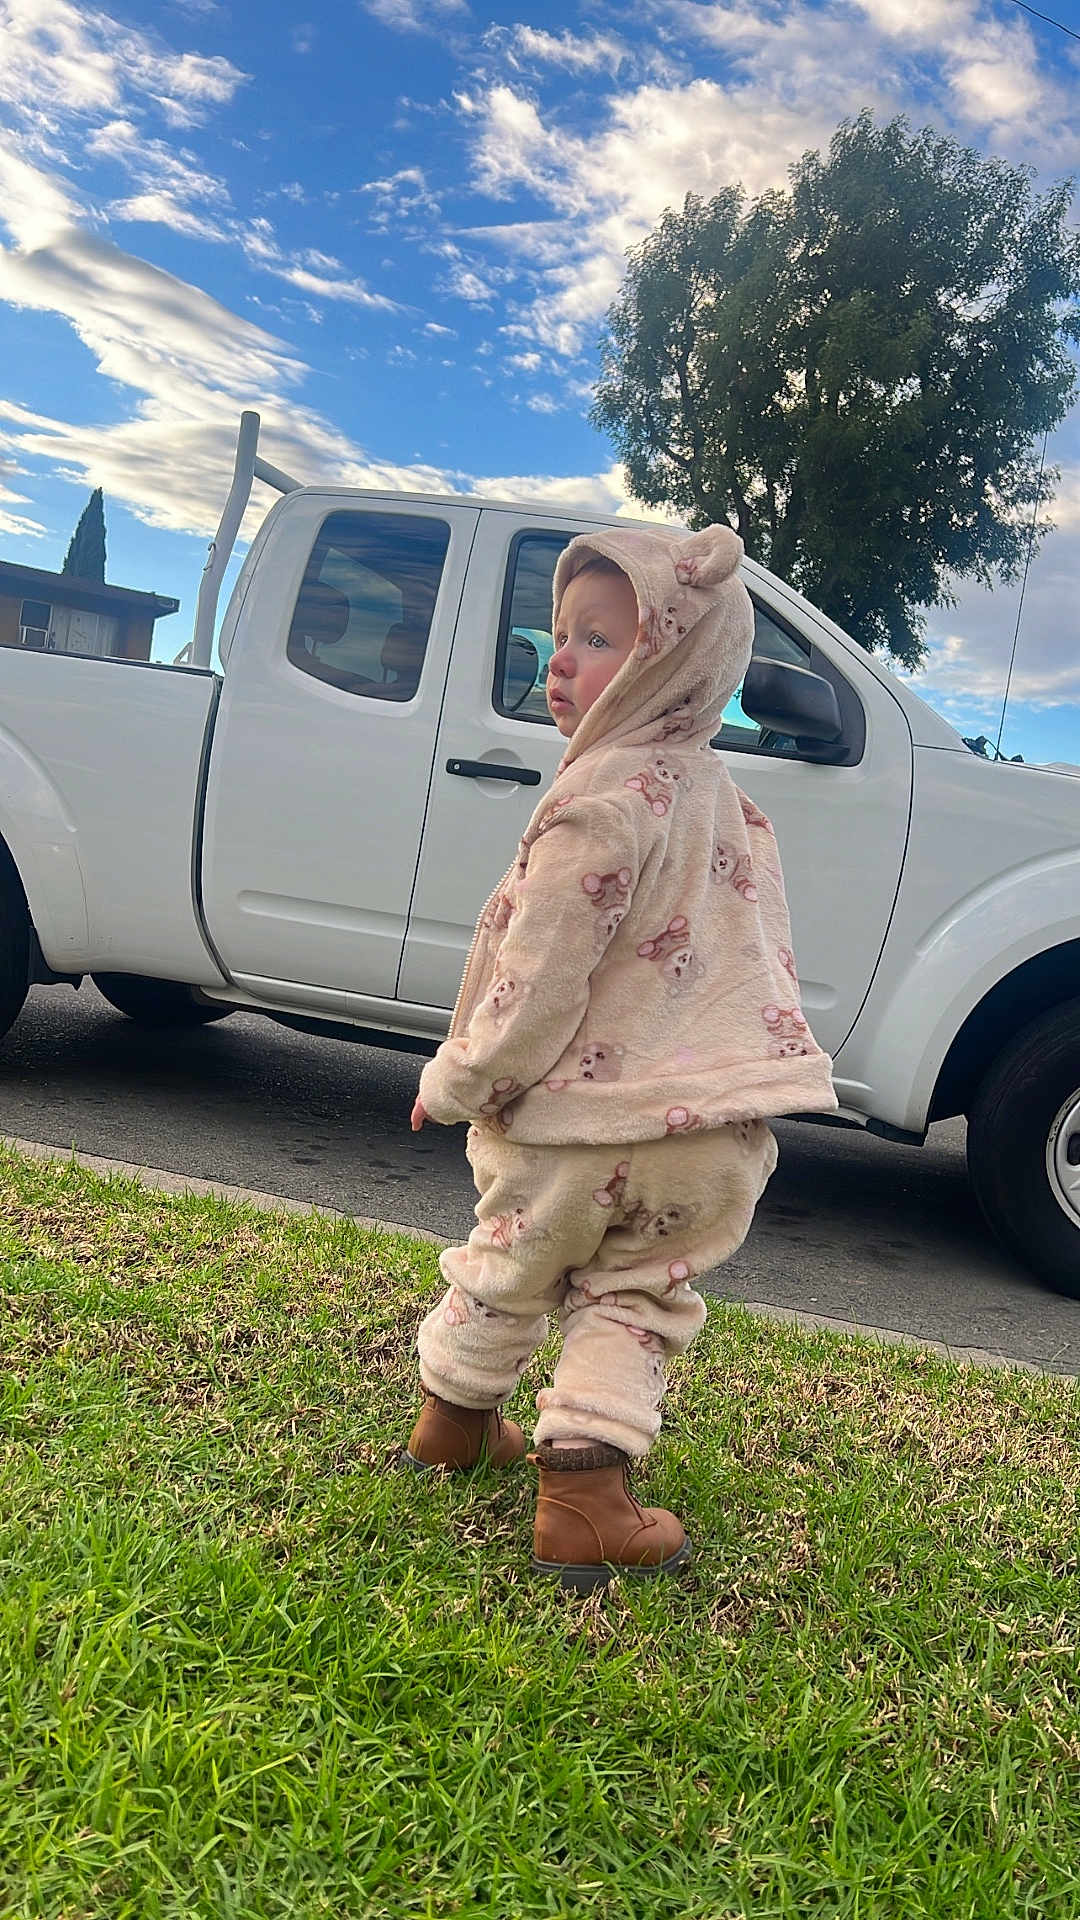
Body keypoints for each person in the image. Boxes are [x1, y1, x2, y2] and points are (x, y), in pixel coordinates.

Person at [406, 522, 837, 1593]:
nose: (558, 660)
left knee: (509, 1260)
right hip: (698, 1130)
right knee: (632, 1296)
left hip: (570, 1125)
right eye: (558, 636)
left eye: (598, 638)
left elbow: (538, 972)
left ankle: (499, 1453)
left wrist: (461, 1078)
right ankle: (566, 1476)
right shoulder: (731, 805)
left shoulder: (596, 799)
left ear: (676, 659)